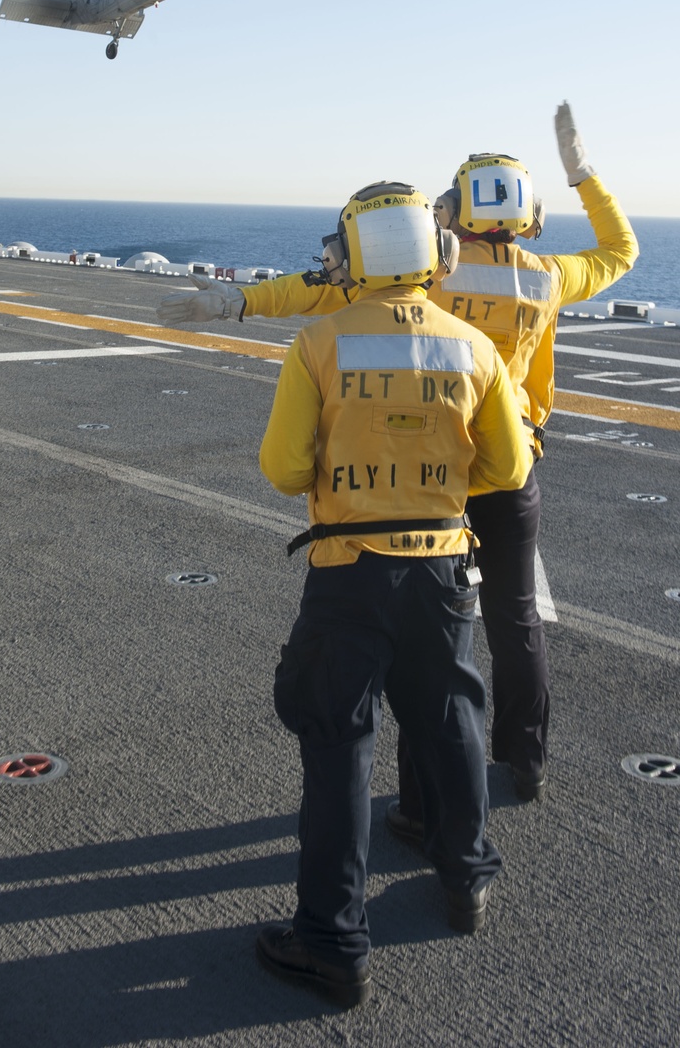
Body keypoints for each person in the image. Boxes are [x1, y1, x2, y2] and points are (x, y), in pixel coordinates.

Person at [162, 104, 638, 807]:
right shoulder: (548, 277)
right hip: (511, 469)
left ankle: (421, 808)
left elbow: (322, 287)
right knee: (516, 621)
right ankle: (526, 761)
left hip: (431, 473)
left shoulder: (429, 272)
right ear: (527, 210)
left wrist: (236, 302)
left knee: (434, 648)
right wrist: (584, 174)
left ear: (454, 211)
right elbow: (620, 251)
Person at [255, 182, 530, 1008]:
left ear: (356, 256)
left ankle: (332, 942)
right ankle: (467, 876)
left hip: (351, 570)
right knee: (451, 719)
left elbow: (283, 470)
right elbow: (508, 469)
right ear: (437, 254)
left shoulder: (320, 341)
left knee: (340, 742)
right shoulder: (473, 349)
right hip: (444, 565)